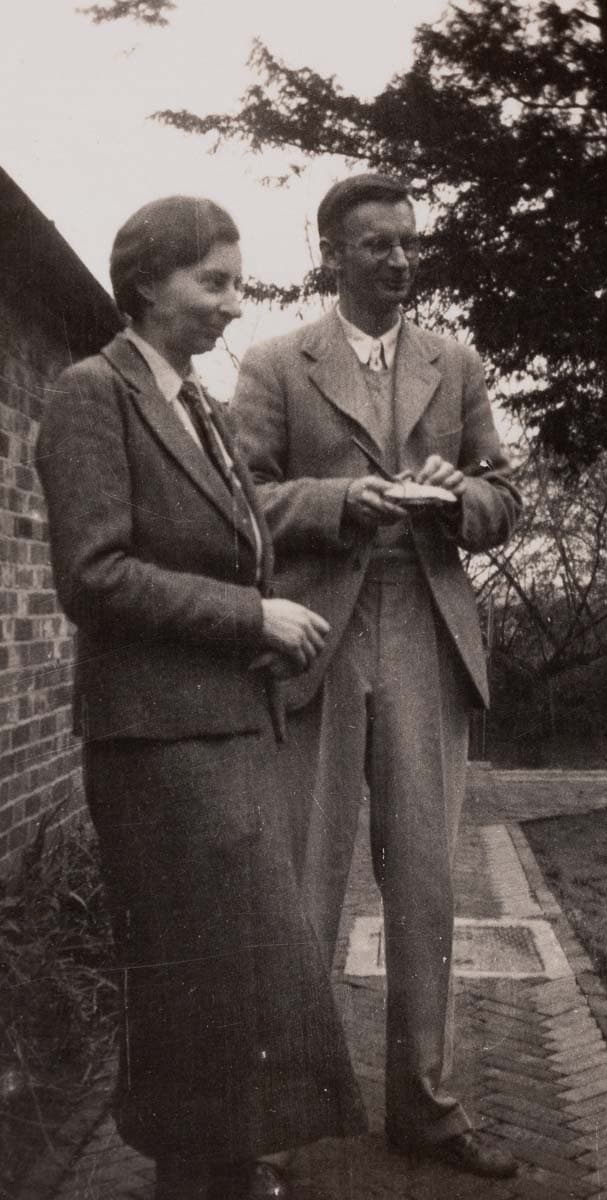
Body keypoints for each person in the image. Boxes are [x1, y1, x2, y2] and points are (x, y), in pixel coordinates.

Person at [36, 196, 367, 1200]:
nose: (234, 302)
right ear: (146, 283)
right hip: (156, 744)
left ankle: (227, 1169)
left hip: (224, 728)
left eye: (236, 280)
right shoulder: (92, 394)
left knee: (241, 981)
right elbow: (93, 575)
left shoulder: (198, 406)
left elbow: (241, 539)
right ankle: (198, 1179)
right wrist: (249, 618)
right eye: (212, 281)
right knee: (195, 988)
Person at [234, 174, 522, 1181]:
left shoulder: (457, 363)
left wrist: (460, 501)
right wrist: (336, 503)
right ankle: (276, 1127)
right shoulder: (275, 363)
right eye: (375, 246)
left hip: (427, 634)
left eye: (409, 244)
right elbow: (244, 505)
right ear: (331, 255)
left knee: (429, 887)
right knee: (301, 886)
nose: (398, 263)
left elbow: (505, 497)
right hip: (318, 634)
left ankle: (426, 1111)